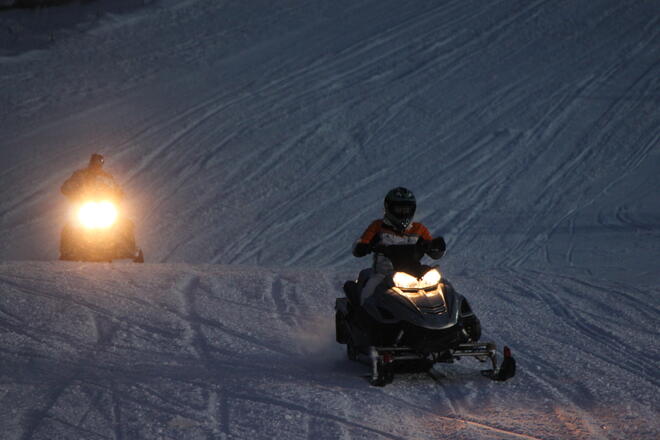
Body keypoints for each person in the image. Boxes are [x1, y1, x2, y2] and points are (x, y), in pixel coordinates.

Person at [350, 187, 446, 304]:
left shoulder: (419, 229)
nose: (403, 213)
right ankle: (361, 318)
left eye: (406, 210)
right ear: (388, 208)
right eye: (399, 209)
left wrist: (436, 247)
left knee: (443, 287)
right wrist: (363, 247)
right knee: (368, 295)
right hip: (384, 275)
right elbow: (361, 243)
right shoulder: (378, 227)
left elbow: (432, 247)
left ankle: (459, 317)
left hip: (414, 274)